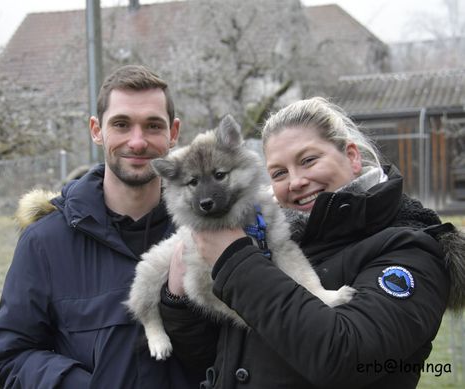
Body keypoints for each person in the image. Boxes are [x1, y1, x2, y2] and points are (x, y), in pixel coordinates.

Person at [160, 97, 465, 388]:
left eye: (308, 160)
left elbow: (347, 358)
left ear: (352, 156)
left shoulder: (412, 250)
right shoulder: (275, 237)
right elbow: (215, 356)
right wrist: (177, 300)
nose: (295, 181)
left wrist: (235, 262)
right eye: (279, 172)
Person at [0, 65, 202, 388]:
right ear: (96, 129)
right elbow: (9, 356)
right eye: (121, 124)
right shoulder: (44, 243)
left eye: (152, 126)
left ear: (173, 133)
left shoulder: (207, 232)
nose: (138, 141)